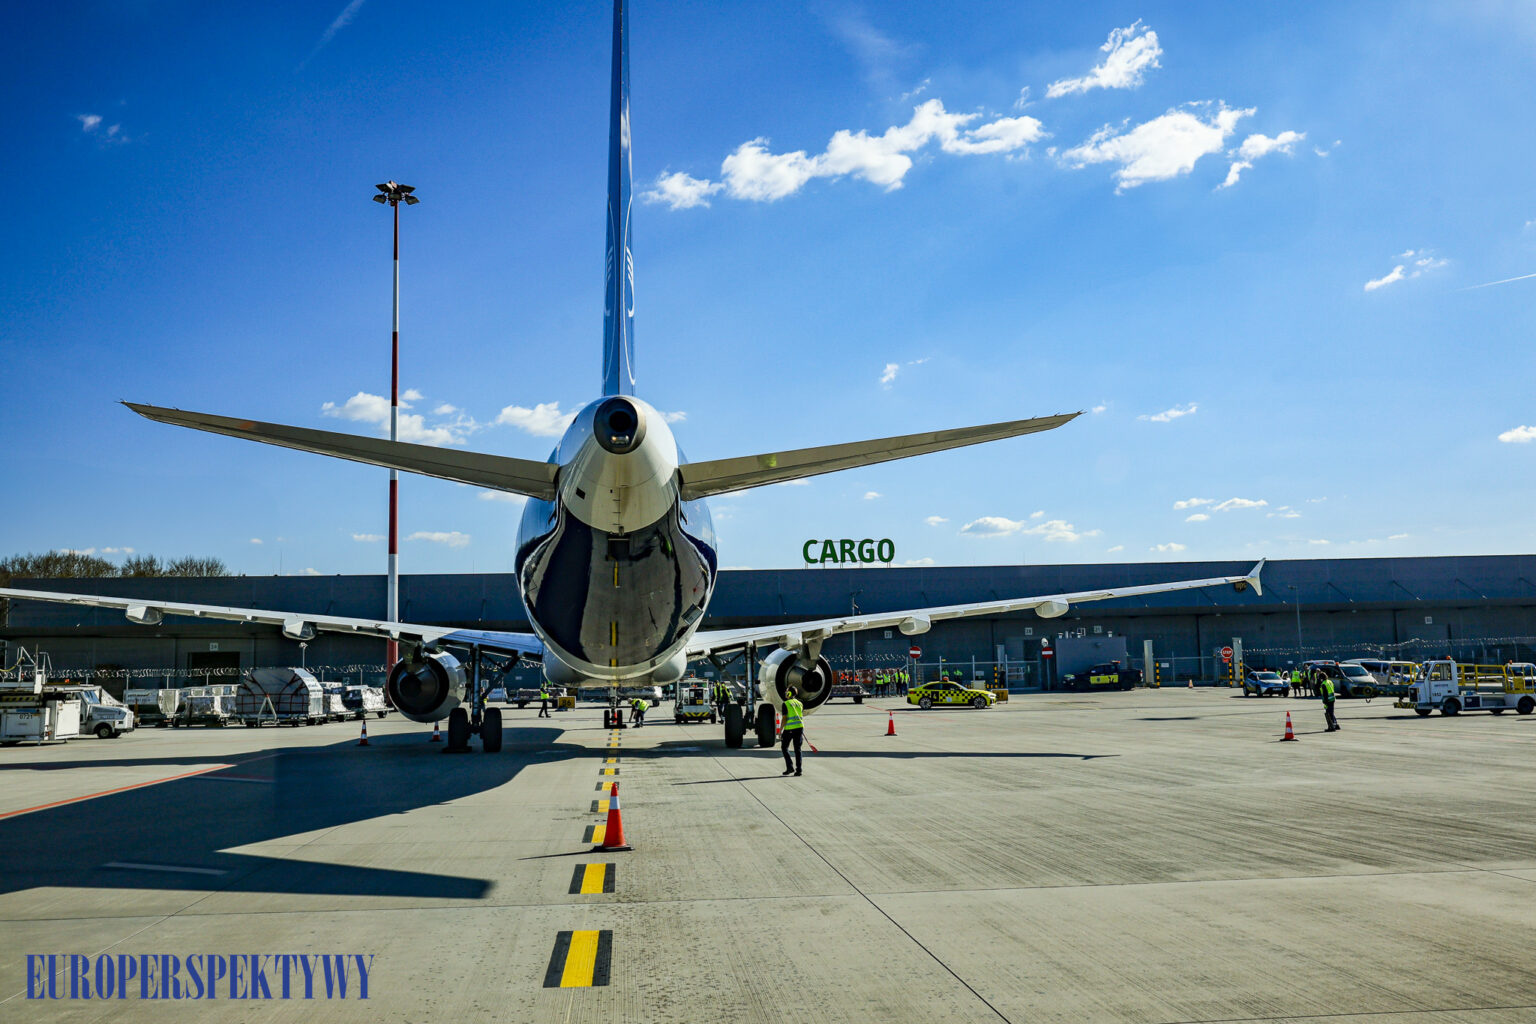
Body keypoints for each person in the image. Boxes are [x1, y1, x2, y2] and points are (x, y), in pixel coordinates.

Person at [780, 687, 805, 776]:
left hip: (790, 729)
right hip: (799, 727)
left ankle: (790, 767)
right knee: (797, 749)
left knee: (784, 747)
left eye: (786, 691)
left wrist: (780, 730)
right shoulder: (800, 703)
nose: (785, 693)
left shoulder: (786, 703)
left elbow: (784, 718)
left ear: (789, 693)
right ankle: (799, 770)